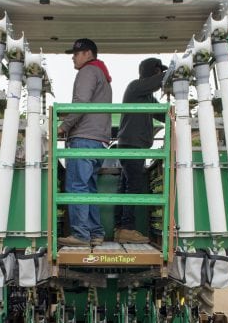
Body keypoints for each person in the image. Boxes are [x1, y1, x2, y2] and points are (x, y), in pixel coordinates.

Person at [57, 38, 112, 247]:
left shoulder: (87, 72)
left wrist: (63, 126)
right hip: (98, 141)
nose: (73, 56)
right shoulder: (103, 75)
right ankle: (96, 233)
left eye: (76, 53)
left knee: (77, 186)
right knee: (88, 188)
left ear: (87, 54)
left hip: (84, 139)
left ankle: (80, 234)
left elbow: (80, 103)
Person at [114, 57, 167, 244]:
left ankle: (120, 228)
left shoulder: (147, 98)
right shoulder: (135, 87)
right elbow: (157, 81)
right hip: (131, 146)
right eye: (157, 72)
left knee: (125, 187)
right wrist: (171, 76)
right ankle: (127, 228)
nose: (159, 77)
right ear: (150, 73)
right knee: (133, 187)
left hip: (132, 145)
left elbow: (164, 115)